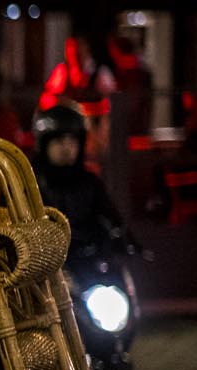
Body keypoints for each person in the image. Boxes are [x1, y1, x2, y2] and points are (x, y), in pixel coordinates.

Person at [33, 102, 128, 264]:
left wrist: (123, 239)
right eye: (59, 141)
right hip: (46, 267)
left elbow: (110, 217)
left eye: (72, 141)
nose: (67, 148)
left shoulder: (89, 182)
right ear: (45, 144)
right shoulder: (30, 183)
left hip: (87, 265)